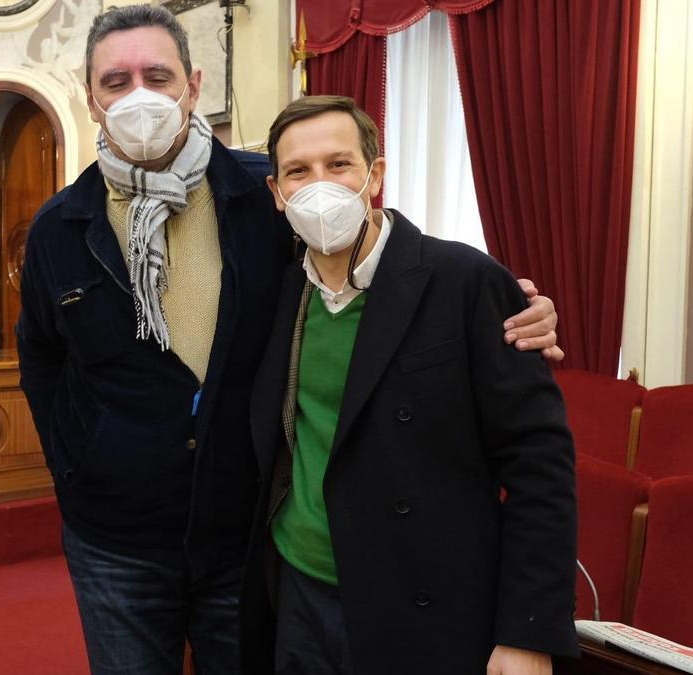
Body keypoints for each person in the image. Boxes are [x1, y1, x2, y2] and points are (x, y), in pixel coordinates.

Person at [16, 7, 561, 674]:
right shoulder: (57, 229)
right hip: (116, 541)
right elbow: (42, 359)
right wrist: (73, 467)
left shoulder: (260, 196)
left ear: (193, 84)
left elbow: (371, 249)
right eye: (117, 81)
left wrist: (510, 299)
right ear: (92, 99)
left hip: (241, 536)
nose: (139, 97)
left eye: (157, 76)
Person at [238, 95, 578, 674]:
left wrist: (529, 631)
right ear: (276, 192)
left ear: (375, 175)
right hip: (300, 588)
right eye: (299, 171)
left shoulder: (464, 280)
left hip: (423, 598)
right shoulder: (279, 293)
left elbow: (538, 463)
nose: (320, 185)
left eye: (338, 164)